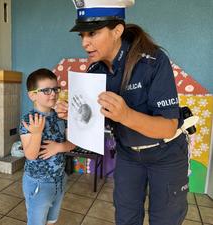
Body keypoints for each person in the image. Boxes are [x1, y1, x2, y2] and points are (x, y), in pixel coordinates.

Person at [56, 0, 190, 224]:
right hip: (128, 154)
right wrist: (77, 116)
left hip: (166, 154)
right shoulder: (95, 70)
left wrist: (126, 115)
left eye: (92, 33)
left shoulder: (153, 62)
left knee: (165, 219)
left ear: (117, 30)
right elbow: (97, 121)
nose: (85, 43)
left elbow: (168, 126)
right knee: (126, 217)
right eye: (81, 36)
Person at [19, 68, 75, 225]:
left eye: (55, 89)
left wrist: (59, 147)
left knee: (51, 220)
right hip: (38, 184)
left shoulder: (61, 116)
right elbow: (30, 155)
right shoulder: (28, 120)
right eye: (46, 90)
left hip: (59, 180)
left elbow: (73, 143)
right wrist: (36, 134)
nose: (53, 94)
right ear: (32, 95)